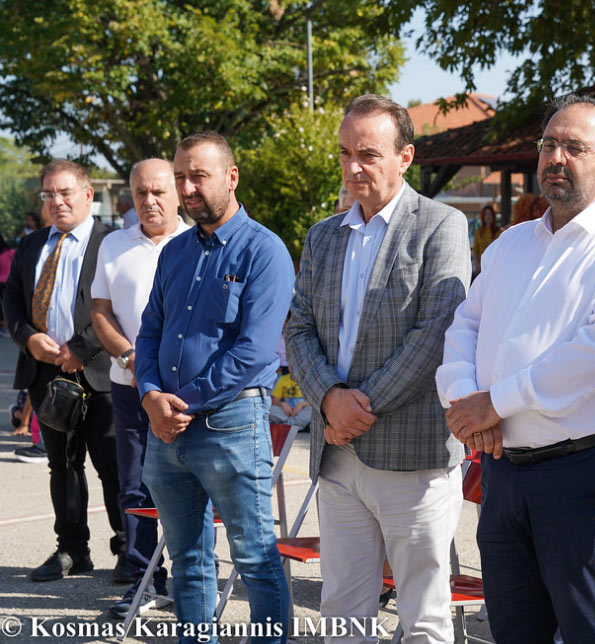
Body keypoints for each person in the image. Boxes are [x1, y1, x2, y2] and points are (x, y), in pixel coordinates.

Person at [436, 94, 595, 644]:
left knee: (589, 632)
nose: (556, 157)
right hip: (502, 468)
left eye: (574, 147)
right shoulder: (512, 243)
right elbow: (465, 326)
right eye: (548, 145)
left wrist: (494, 403)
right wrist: (467, 401)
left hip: (583, 472)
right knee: (513, 630)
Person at [285, 94, 470, 644]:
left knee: (424, 618)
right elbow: (298, 329)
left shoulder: (441, 225)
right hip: (337, 455)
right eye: (345, 153)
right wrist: (328, 400)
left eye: (367, 154)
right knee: (342, 610)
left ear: (405, 156)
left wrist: (356, 409)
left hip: (412, 457)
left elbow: (435, 333)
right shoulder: (323, 235)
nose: (353, 167)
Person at [135, 131, 294, 644]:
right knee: (188, 559)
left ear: (231, 176)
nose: (187, 188)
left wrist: (179, 403)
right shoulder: (174, 252)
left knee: (256, 560)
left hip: (231, 426)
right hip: (167, 430)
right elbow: (149, 333)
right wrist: (150, 396)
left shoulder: (264, 251)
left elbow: (254, 351)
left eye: (198, 176)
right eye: (180, 177)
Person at [2, 159, 126, 582]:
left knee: (113, 468)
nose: (56, 201)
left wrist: (81, 349)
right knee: (63, 466)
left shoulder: (112, 243)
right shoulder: (32, 244)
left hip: (101, 374)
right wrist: (27, 339)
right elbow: (11, 298)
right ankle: (72, 549)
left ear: (88, 195)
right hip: (46, 374)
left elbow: (121, 306)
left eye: (65, 192)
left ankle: (128, 550)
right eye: (49, 194)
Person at [91, 158, 191, 619]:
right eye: (140, 193)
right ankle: (144, 580)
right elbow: (100, 312)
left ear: (177, 193)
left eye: (158, 191)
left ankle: (194, 579)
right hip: (128, 387)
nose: (149, 201)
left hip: (183, 390)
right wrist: (131, 359)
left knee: (191, 487)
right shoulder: (114, 244)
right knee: (134, 488)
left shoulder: (197, 242)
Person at [471, 204, 500, 272]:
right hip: (480, 267)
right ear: (483, 216)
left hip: (494, 267)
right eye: (486, 214)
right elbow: (475, 250)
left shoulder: (499, 232)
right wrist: (477, 264)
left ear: (493, 216)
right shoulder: (478, 232)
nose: (488, 216)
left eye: (490, 214)